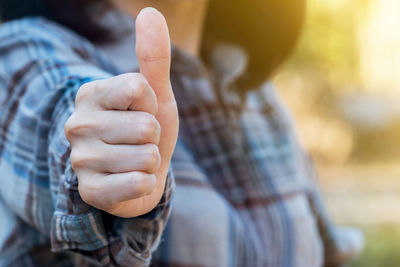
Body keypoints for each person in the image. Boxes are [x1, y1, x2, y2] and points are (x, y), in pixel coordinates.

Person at [0, 0, 363, 266]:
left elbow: (325, 250)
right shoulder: (19, 54)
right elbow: (58, 114)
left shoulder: (257, 93)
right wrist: (107, 169)